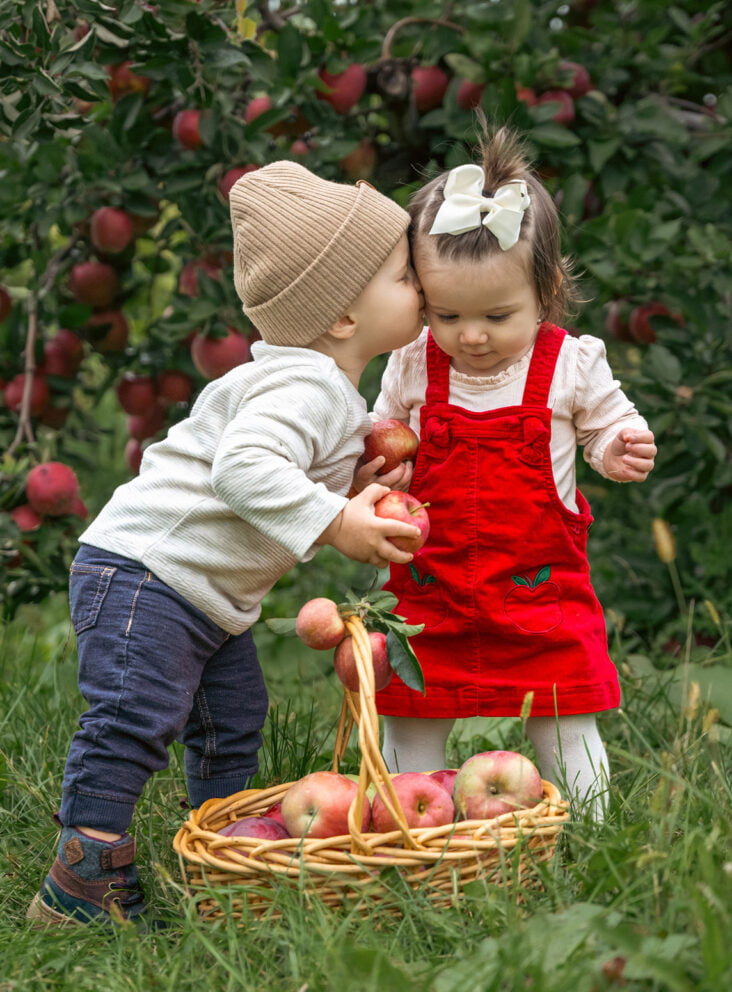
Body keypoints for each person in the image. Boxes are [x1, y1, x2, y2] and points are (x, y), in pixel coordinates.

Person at [27, 162, 425, 927]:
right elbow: (244, 470)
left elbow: (273, 484)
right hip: (147, 575)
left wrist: (347, 496)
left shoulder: (316, 387)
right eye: (405, 275)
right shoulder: (305, 386)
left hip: (201, 593)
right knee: (134, 716)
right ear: (343, 316)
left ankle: (228, 845)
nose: (420, 288)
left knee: (233, 717)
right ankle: (83, 881)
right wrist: (337, 523)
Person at [359, 126, 657, 820]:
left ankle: (588, 828)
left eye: (498, 314)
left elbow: (608, 423)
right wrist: (379, 473)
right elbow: (381, 437)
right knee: (412, 711)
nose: (471, 335)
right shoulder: (411, 364)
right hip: (429, 592)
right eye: (446, 314)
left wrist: (614, 446)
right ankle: (411, 826)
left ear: (547, 289)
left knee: (565, 716)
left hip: (539, 599)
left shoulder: (571, 364)